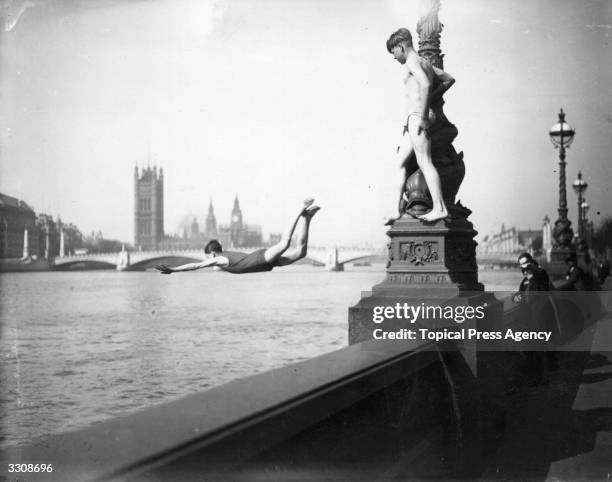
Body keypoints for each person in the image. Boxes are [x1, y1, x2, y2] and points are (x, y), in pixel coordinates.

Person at [386, 28, 456, 223]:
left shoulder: (411, 61)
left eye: (394, 52)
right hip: (415, 118)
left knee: (425, 161)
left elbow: (424, 84)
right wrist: (431, 102)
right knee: (399, 163)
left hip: (418, 117)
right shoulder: (425, 62)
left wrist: (424, 115)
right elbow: (449, 79)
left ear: (401, 46)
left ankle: (440, 208)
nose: (394, 57)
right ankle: (395, 209)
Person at [155, 198, 320, 275]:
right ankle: (307, 219)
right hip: (261, 265)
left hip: (260, 259)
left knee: (284, 244)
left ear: (212, 253)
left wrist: (174, 270)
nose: (207, 260)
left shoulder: (219, 259)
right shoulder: (225, 254)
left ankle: (299, 210)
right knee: (301, 253)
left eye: (208, 256)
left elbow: (195, 266)